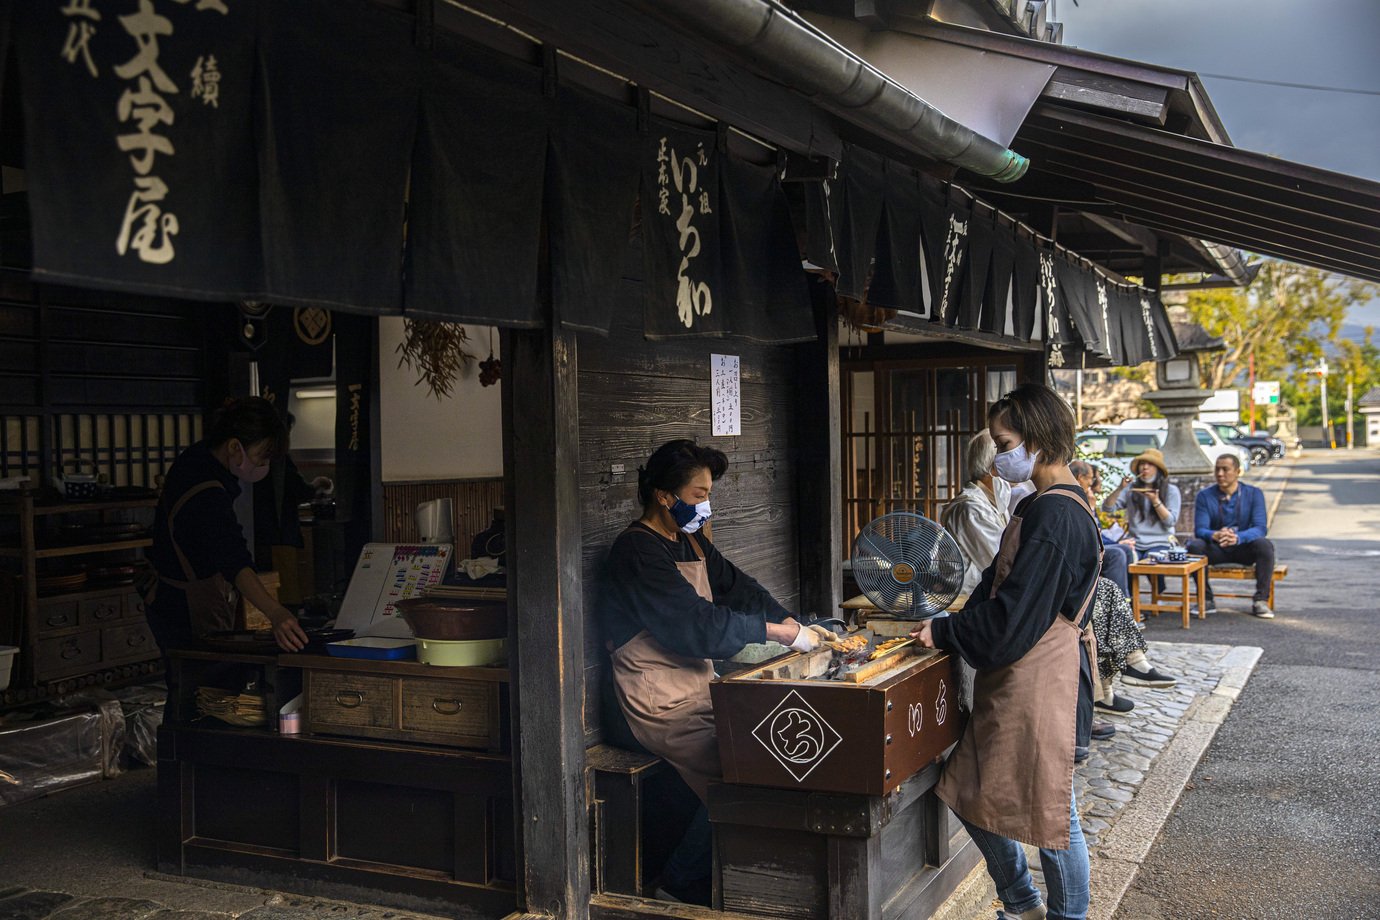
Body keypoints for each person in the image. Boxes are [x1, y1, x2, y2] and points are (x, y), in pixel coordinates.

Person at [599, 439, 827, 905]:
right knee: (746, 765)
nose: (706, 503)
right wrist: (779, 635)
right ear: (665, 496)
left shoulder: (690, 539)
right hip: (655, 700)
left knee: (766, 749)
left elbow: (739, 589)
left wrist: (796, 624)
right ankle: (678, 885)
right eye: (699, 494)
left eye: (708, 493)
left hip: (698, 686)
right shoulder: (636, 552)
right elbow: (694, 628)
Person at [912, 383, 1101, 920]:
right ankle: (1022, 902)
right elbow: (996, 587)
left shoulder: (1057, 515)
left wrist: (948, 633)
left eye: (1004, 441)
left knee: (1053, 815)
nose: (999, 454)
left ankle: (1066, 916)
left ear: (1037, 440)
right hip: (1018, 674)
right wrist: (950, 621)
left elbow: (1014, 618)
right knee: (965, 789)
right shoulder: (1038, 504)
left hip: (1042, 680)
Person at [146, 397, 310, 672]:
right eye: (261, 455)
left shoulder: (199, 458)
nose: (263, 464)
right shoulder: (206, 490)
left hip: (173, 597)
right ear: (235, 446)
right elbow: (233, 558)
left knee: (195, 688)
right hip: (182, 606)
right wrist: (275, 612)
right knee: (204, 690)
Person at [1186, 454, 1277, 618]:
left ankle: (1261, 600)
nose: (1220, 474)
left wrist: (1238, 537)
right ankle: (1206, 599)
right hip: (1217, 548)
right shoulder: (1205, 496)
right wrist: (1215, 534)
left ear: (1237, 471)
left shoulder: (1254, 493)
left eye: (1225, 469)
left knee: (1265, 545)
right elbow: (1200, 529)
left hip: (1243, 547)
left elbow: (1260, 527)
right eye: (1217, 469)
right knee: (1194, 546)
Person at [940, 429, 1011, 597]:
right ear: (992, 468)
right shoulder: (971, 508)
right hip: (968, 598)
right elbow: (998, 561)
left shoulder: (991, 503)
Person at [1069, 460, 1133, 597]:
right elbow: (1091, 533)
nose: (1092, 483)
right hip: (1080, 549)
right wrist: (1091, 509)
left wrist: (1117, 543)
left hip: (1092, 545)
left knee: (1126, 550)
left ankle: (1129, 601)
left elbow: (1097, 532)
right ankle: (1118, 606)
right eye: (1091, 478)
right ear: (1081, 478)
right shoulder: (1075, 497)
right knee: (1117, 554)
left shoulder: (1085, 496)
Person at [1102, 447, 1180, 555]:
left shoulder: (1171, 490)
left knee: (1150, 561)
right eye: (1142, 463)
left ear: (1158, 469)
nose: (1145, 467)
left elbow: (1170, 522)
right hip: (1135, 543)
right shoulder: (1131, 489)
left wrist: (1155, 501)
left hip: (1161, 543)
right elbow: (1107, 508)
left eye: (1150, 464)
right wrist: (1120, 488)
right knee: (1122, 558)